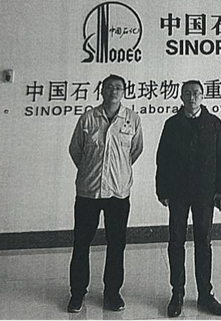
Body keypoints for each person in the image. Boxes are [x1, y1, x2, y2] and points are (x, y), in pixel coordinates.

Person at [67, 74, 143, 313]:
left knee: (117, 244)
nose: (114, 91)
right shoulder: (88, 118)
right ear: (101, 91)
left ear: (124, 92)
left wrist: (117, 171)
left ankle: (112, 293)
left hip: (118, 192)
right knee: (81, 243)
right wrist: (91, 170)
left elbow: (135, 151)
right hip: (88, 191)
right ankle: (77, 293)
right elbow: (76, 150)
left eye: (118, 87)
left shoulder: (132, 119)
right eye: (109, 87)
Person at [156, 80, 221, 317]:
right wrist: (162, 190)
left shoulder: (214, 123)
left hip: (205, 193)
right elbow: (162, 159)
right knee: (176, 241)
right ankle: (177, 294)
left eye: (196, 93)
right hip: (177, 192)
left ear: (203, 96)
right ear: (181, 97)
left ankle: (205, 294)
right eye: (187, 93)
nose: (192, 97)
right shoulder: (172, 124)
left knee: (203, 242)